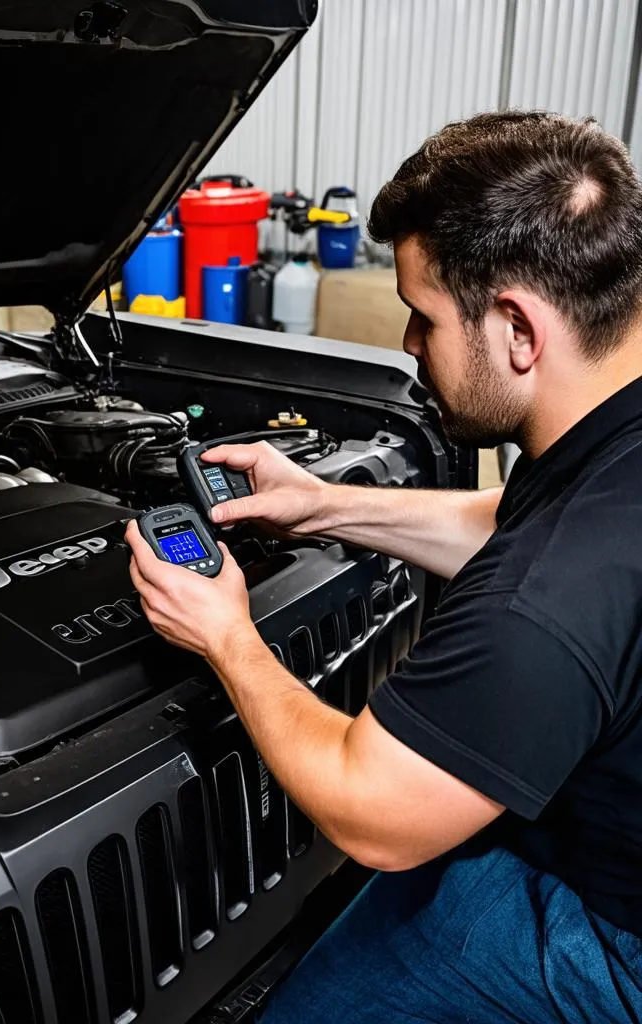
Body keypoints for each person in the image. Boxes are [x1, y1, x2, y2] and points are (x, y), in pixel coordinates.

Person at [124, 111, 642, 1022]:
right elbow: (511, 523)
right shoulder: (608, 443)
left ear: (519, 329)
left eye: (423, 317)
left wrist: (228, 636)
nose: (408, 345)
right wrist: (328, 505)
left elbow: (376, 816)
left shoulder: (552, 589)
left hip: (613, 939)